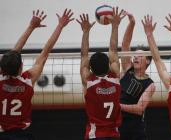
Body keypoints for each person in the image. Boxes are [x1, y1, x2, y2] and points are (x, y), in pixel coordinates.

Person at [0, 9, 74, 140]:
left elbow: (13, 54)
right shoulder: (27, 81)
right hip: (22, 135)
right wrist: (60, 26)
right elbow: (45, 52)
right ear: (21, 67)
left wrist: (31, 27)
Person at [77, 7, 125, 140]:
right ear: (109, 66)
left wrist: (85, 32)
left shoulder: (88, 80)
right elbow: (113, 49)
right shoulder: (115, 77)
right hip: (113, 135)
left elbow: (83, 55)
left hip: (94, 135)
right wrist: (115, 26)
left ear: (90, 69)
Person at [119, 12, 156, 140]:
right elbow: (125, 44)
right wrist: (132, 23)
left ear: (148, 61)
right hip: (117, 127)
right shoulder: (127, 69)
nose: (135, 57)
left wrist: (118, 106)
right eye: (135, 55)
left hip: (135, 131)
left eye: (140, 56)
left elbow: (140, 109)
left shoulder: (150, 84)